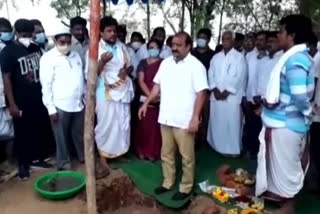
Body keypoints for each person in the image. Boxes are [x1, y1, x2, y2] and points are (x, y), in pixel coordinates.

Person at [139, 32, 208, 200]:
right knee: (166, 153)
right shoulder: (166, 63)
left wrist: (195, 117)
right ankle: (167, 182)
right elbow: (157, 86)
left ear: (188, 46)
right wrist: (146, 103)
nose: (174, 48)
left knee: (186, 156)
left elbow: (202, 93)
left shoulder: (196, 66)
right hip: (166, 116)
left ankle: (185, 187)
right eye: (173, 45)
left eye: (179, 45)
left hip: (184, 119)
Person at [256, 15, 314, 213]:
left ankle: (287, 208)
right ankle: (278, 203)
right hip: (282, 124)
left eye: (281, 31)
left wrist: (309, 112)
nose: (278, 35)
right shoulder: (292, 57)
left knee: (287, 175)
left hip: (287, 126)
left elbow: (299, 95)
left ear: (292, 35)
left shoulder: (296, 59)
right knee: (280, 172)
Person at [0, 19, 53, 180]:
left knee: (38, 130)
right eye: (24, 35)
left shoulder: (36, 48)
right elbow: (6, 78)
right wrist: (12, 104)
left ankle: (38, 160)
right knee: (22, 133)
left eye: (30, 35)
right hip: (20, 101)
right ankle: (23, 165)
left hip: (38, 98)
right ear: (16, 33)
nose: (28, 37)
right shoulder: (8, 52)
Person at [40, 25, 85, 170]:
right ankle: (64, 162)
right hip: (60, 105)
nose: (65, 45)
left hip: (78, 103)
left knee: (78, 133)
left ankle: (82, 156)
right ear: (55, 40)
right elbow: (46, 85)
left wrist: (84, 98)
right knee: (61, 137)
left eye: (67, 42)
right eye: (62, 42)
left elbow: (81, 78)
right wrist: (51, 109)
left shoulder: (76, 55)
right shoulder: (48, 58)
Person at [91, 16, 134, 159]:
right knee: (106, 124)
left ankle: (120, 152)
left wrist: (126, 71)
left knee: (122, 122)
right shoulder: (95, 49)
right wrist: (102, 62)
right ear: (101, 33)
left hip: (123, 90)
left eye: (114, 31)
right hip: (105, 92)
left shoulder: (122, 46)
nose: (113, 34)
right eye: (108, 31)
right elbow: (91, 75)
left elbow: (131, 66)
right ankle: (104, 154)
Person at [207, 31, 247, 156]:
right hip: (216, 96)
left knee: (232, 123)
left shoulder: (239, 57)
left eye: (228, 39)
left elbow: (240, 77)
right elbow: (210, 74)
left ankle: (232, 150)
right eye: (223, 39)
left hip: (231, 98)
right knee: (217, 122)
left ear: (233, 41)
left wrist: (226, 92)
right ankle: (216, 146)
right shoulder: (216, 57)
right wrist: (214, 89)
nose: (225, 41)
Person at [134, 39, 163, 161]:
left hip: (160, 98)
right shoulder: (142, 63)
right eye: (150, 47)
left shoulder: (164, 63)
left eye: (155, 47)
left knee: (155, 129)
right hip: (145, 98)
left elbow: (164, 81)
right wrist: (151, 96)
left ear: (160, 49)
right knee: (143, 126)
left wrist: (158, 96)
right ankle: (142, 151)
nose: (152, 50)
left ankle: (153, 152)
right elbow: (141, 80)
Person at [242, 31, 267, 159]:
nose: (259, 42)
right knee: (249, 125)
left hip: (264, 100)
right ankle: (249, 150)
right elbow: (245, 76)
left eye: (262, 40)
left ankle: (259, 152)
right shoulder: (250, 56)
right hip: (249, 96)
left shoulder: (271, 57)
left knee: (260, 127)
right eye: (258, 40)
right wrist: (245, 95)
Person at [308, 33, 320, 194]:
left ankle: (315, 183)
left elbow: (313, 82)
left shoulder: (317, 57)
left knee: (316, 149)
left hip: (317, 109)